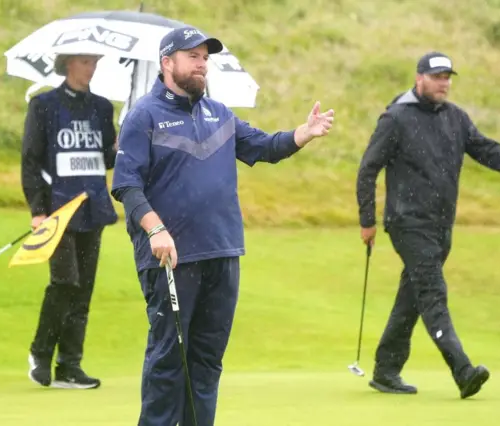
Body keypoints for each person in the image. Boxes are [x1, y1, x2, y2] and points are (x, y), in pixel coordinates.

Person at [111, 26, 334, 426]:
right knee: (168, 363)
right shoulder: (143, 116)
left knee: (207, 363)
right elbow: (126, 185)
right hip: (171, 258)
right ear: (167, 63)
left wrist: (303, 134)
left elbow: (264, 147)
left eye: (205, 57)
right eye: (192, 56)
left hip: (222, 252)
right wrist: (155, 229)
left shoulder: (219, 113)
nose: (202, 64)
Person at [356, 51, 500, 399]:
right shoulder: (396, 118)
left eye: (448, 77)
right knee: (433, 294)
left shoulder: (456, 119)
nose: (444, 83)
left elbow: (489, 151)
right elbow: (367, 169)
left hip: (440, 225)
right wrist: (367, 221)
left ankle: (386, 370)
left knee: (412, 297)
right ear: (419, 78)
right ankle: (462, 370)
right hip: (407, 222)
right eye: (437, 76)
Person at [20, 52, 119, 389]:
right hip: (58, 209)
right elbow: (31, 161)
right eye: (85, 62)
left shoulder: (103, 108)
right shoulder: (43, 105)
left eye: (94, 62)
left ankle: (70, 366)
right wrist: (37, 210)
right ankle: (41, 354)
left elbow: (105, 157)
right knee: (65, 283)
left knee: (84, 290)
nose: (91, 68)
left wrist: (123, 143)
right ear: (68, 64)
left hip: (93, 209)